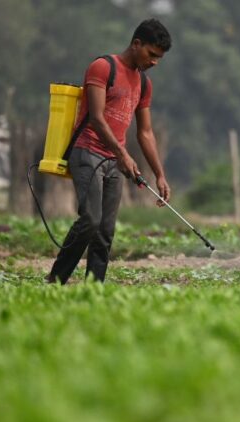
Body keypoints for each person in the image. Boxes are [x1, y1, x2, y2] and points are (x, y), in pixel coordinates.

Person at [47, 19, 172, 284]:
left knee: (105, 230)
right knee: (91, 219)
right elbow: (96, 118)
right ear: (136, 44)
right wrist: (122, 154)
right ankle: (55, 281)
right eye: (151, 54)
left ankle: (94, 288)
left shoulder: (144, 84)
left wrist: (159, 174)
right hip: (88, 152)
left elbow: (145, 132)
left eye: (159, 58)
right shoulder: (103, 67)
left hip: (114, 160)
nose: (154, 62)